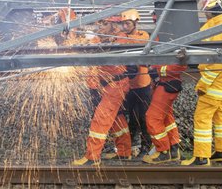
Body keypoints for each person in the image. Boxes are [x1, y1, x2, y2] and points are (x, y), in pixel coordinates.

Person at [181, 0, 222, 166]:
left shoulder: (217, 30)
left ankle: (201, 157)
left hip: (214, 87)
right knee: (221, 119)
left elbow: (216, 63)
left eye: (205, 10)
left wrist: (203, 84)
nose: (203, 13)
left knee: (202, 119)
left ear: (211, 12)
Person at [73, 17, 132, 166]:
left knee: (101, 118)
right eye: (99, 24)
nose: (100, 28)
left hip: (116, 85)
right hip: (106, 85)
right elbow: (91, 48)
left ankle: (92, 157)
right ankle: (124, 152)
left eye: (104, 24)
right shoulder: (99, 38)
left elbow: (108, 54)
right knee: (117, 118)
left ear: (113, 25)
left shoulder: (121, 39)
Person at [117, 9, 153, 157]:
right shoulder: (119, 37)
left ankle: (146, 146)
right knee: (131, 118)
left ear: (135, 23)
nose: (125, 26)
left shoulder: (143, 36)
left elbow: (139, 46)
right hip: (129, 86)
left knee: (144, 117)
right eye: (123, 24)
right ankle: (129, 146)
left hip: (143, 84)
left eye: (128, 23)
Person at [142, 63, 187, 164]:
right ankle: (173, 149)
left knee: (152, 118)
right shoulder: (167, 48)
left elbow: (180, 65)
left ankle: (163, 152)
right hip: (165, 84)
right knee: (166, 117)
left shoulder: (176, 49)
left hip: (167, 84)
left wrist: (156, 68)